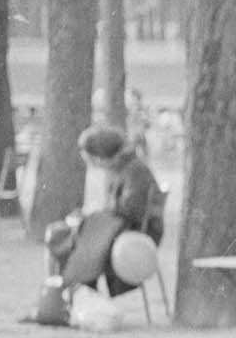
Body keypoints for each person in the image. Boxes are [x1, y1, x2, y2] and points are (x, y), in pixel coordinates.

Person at [24, 123, 167, 327]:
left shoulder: (135, 171)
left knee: (65, 238)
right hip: (119, 228)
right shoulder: (125, 168)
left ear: (101, 155)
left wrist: (94, 216)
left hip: (132, 233)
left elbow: (129, 209)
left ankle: (64, 295)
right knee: (62, 234)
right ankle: (62, 296)